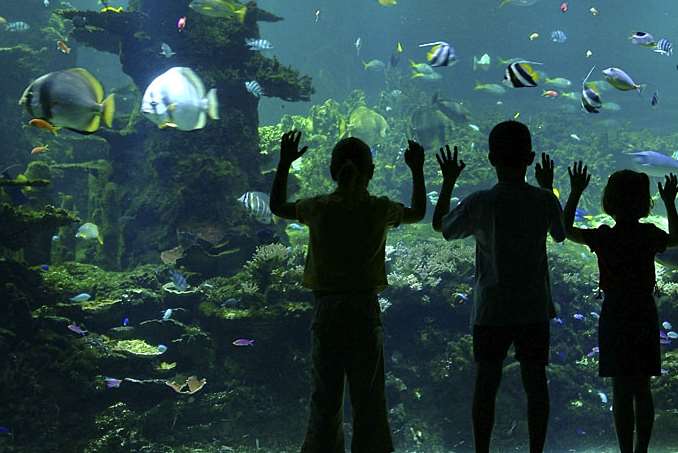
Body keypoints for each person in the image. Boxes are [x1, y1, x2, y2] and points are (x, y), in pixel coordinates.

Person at [270, 130, 426, 453]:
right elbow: (420, 212)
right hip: (364, 310)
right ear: (370, 172)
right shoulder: (379, 209)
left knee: (325, 400)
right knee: (369, 400)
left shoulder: (318, 207)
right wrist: (417, 169)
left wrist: (284, 163)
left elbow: (277, 206)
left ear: (332, 171)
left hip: (327, 311)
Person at [432, 121, 565, 453]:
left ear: (491, 158)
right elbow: (561, 234)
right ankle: (536, 449)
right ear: (531, 158)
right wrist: (549, 188)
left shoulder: (481, 202)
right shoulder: (543, 200)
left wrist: (448, 181)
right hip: (533, 307)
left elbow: (443, 228)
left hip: (492, 308)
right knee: (536, 384)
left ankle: (482, 450)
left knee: (485, 384)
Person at [563, 163, 678, 453]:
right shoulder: (649, 235)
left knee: (621, 390)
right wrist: (670, 202)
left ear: (609, 203)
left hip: (614, 313)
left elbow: (565, 230)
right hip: (643, 312)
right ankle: (641, 451)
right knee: (643, 388)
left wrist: (575, 192)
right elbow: (677, 239)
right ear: (644, 204)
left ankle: (626, 451)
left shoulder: (603, 236)